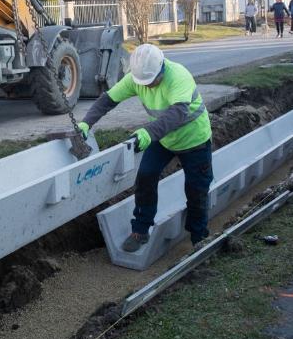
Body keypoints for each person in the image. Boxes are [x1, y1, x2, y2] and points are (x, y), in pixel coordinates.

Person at [77, 44, 214, 252]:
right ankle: (140, 229)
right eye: (144, 83)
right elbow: (108, 100)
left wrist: (148, 133)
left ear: (162, 68)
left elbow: (177, 114)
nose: (148, 86)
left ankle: (198, 236)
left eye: (151, 82)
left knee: (197, 189)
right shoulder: (137, 78)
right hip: (163, 139)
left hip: (194, 140)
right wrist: (86, 123)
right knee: (145, 176)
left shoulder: (178, 76)